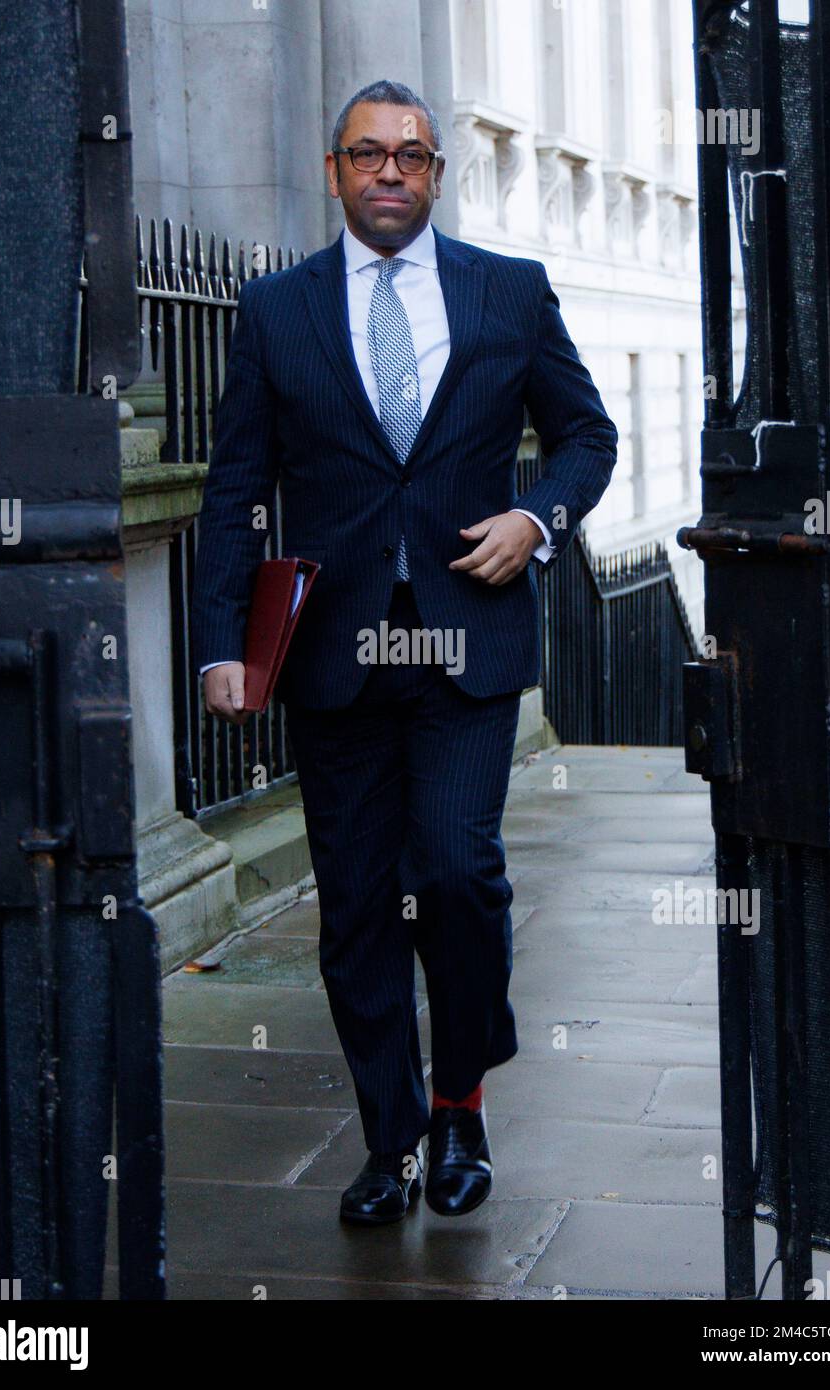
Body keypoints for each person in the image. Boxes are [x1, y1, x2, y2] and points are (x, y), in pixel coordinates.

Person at [191, 79, 618, 1225]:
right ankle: (391, 1142)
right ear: (332, 171)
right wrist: (219, 648)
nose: (391, 172)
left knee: (459, 869)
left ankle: (461, 1094)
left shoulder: (507, 293)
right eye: (368, 154)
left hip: (465, 648)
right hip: (333, 656)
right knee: (360, 909)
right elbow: (235, 491)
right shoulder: (273, 309)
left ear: (436, 173)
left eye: (413, 156)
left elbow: (586, 434)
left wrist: (537, 521)